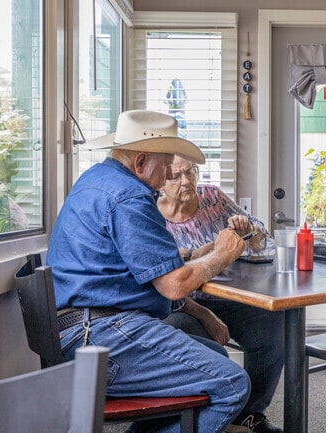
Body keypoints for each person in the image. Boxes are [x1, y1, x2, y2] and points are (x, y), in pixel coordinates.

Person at [46, 110, 251, 433]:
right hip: (99, 337)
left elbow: (142, 268)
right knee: (232, 382)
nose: (171, 171)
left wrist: (197, 258)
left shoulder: (96, 180)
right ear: (141, 162)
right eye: (166, 162)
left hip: (81, 329)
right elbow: (173, 286)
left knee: (214, 355)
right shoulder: (129, 197)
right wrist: (221, 256)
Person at [158, 155, 284, 433]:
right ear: (161, 182)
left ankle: (250, 413)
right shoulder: (151, 215)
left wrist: (248, 231)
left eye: (190, 172)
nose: (186, 181)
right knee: (191, 341)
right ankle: (209, 416)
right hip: (184, 305)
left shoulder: (212, 197)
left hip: (230, 296)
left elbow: (262, 239)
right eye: (176, 176)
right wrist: (207, 315)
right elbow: (164, 280)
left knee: (275, 322)